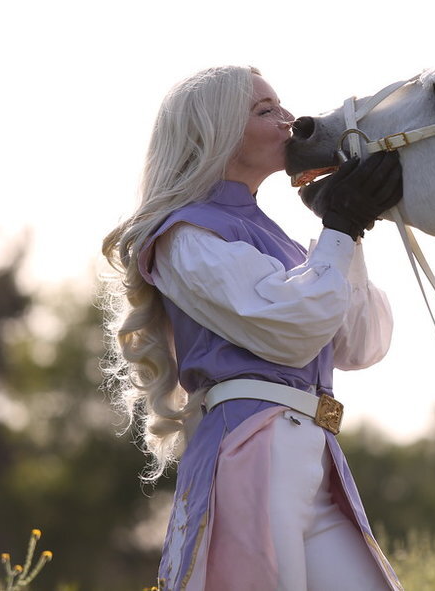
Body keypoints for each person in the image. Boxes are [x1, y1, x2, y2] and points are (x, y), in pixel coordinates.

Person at [101, 65, 403, 590]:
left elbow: (361, 343)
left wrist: (346, 231)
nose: (288, 120)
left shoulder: (277, 238)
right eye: (265, 111)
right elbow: (292, 325)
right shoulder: (184, 233)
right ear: (214, 132)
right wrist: (340, 225)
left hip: (315, 454)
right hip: (252, 447)